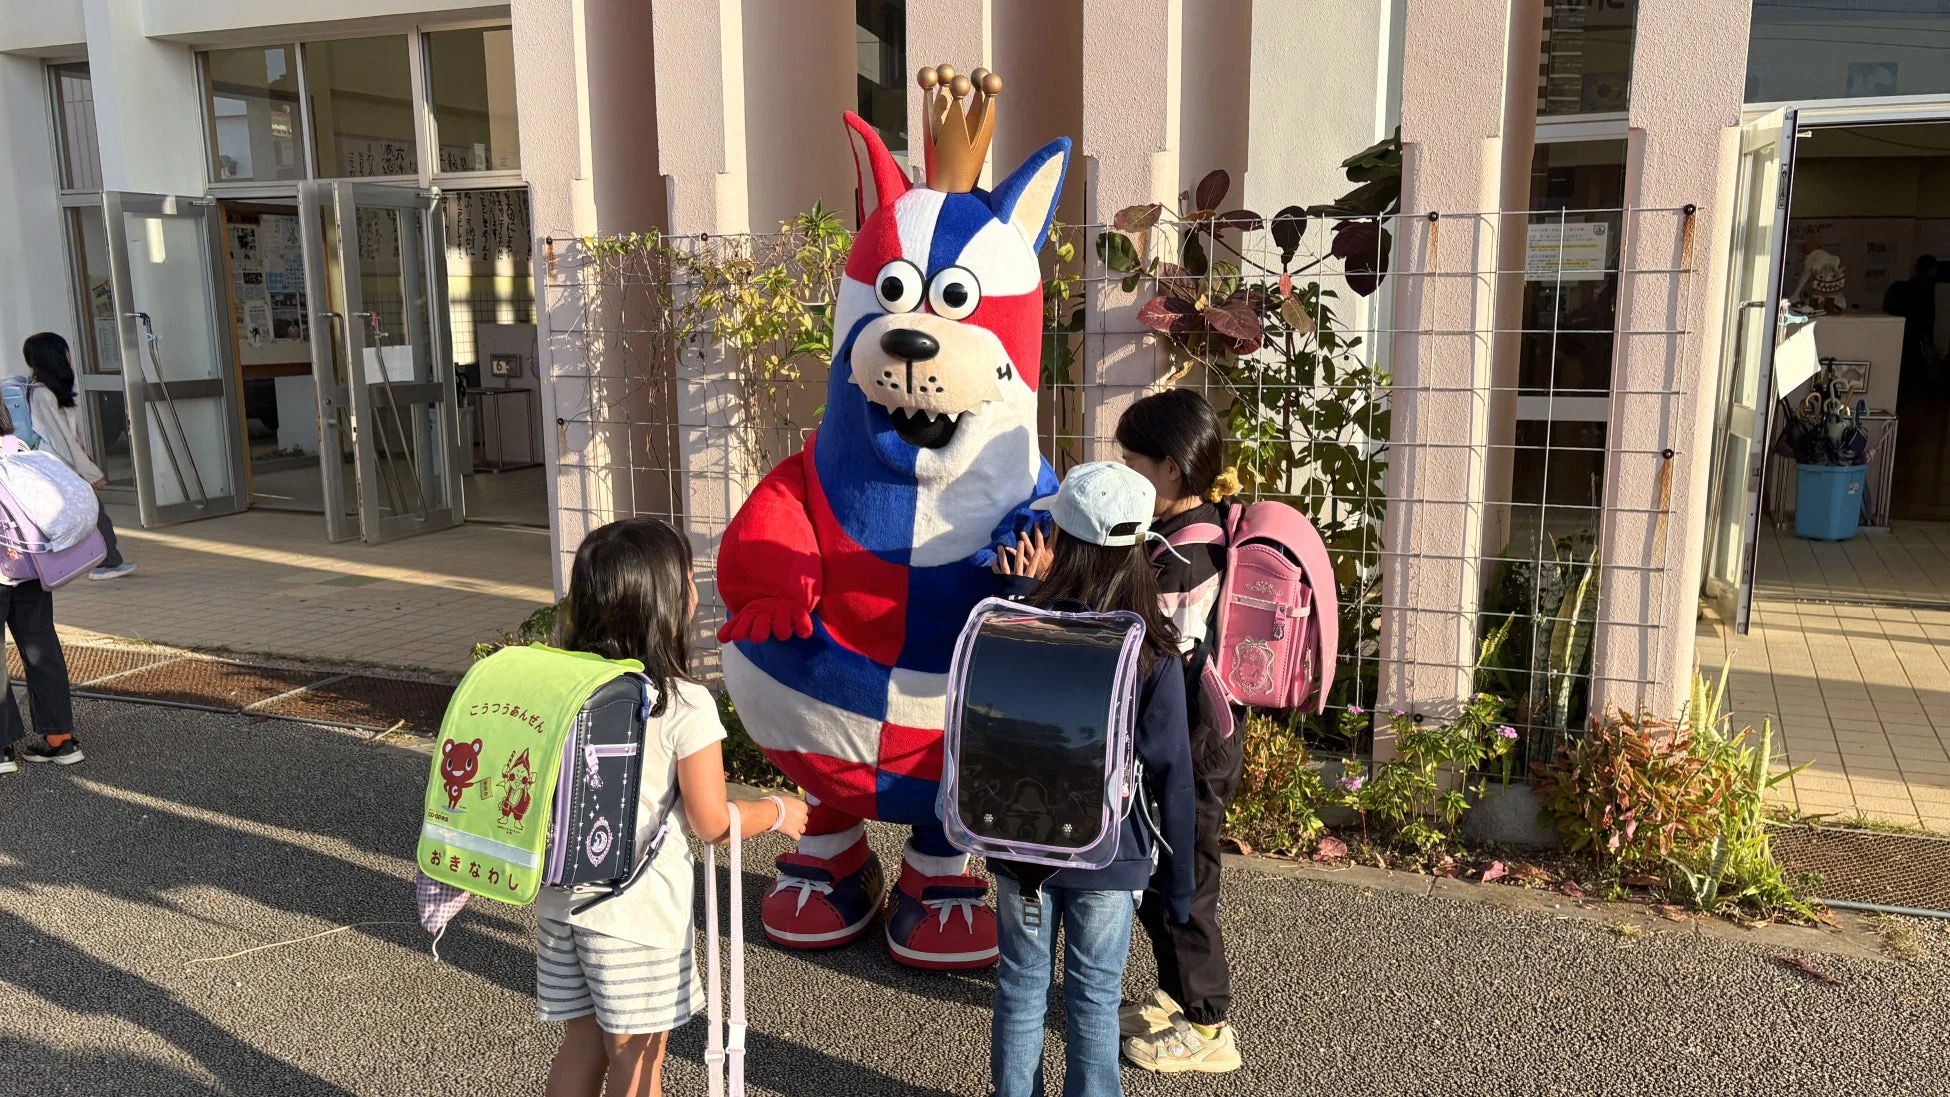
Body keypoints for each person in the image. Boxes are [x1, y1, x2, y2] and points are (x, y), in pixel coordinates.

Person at [537, 517, 809, 1097]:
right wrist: (778, 810)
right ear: (665, 601)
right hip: (636, 920)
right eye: (686, 577)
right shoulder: (682, 701)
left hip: (562, 901)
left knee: (582, 1044)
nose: (694, 588)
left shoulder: (562, 685)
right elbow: (712, 821)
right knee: (640, 1063)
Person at [988, 461, 1195, 1097]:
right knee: (1094, 997)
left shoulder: (1012, 625)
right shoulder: (1152, 651)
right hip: (1110, 850)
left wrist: (1020, 594)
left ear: (1062, 540)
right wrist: (1179, 884)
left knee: (1021, 987)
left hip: (1019, 842)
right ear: (1140, 548)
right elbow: (1174, 777)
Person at [1113, 387, 1244, 1073]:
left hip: (1193, 744)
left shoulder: (1184, 560)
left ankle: (1209, 1023)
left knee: (1187, 880)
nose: (1124, 472)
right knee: (1163, 872)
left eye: (1130, 460)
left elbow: (1146, 652)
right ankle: (1173, 990)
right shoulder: (1202, 527)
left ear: (1169, 468)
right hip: (1190, 738)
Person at [0, 400, 83, 773]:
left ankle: (2, 750)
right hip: (32, 565)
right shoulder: (20, 452)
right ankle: (60, 740)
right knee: (40, 646)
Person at [20, 332, 134, 581]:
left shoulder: (50, 390)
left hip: (62, 467)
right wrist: (90, 473)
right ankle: (106, 563)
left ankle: (106, 561)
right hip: (58, 469)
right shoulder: (43, 394)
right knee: (92, 513)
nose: (69, 355)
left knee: (88, 514)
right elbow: (63, 440)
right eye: (65, 350)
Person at [1882, 255, 1940, 401]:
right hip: (1915, 335)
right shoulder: (1926, 287)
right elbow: (1929, 317)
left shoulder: (1901, 287)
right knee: (1917, 372)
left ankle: (1899, 399)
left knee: (1901, 371)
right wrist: (1929, 340)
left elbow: (1887, 308)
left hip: (1899, 333)